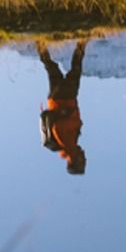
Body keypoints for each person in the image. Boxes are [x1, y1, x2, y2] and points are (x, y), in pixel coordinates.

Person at [36, 38, 88, 175]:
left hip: (66, 97)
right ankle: (39, 42)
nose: (85, 157)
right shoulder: (69, 146)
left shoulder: (68, 146)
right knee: (52, 68)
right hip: (56, 99)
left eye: (82, 161)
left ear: (74, 161)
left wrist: (68, 113)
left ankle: (83, 40)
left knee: (75, 68)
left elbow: (57, 127)